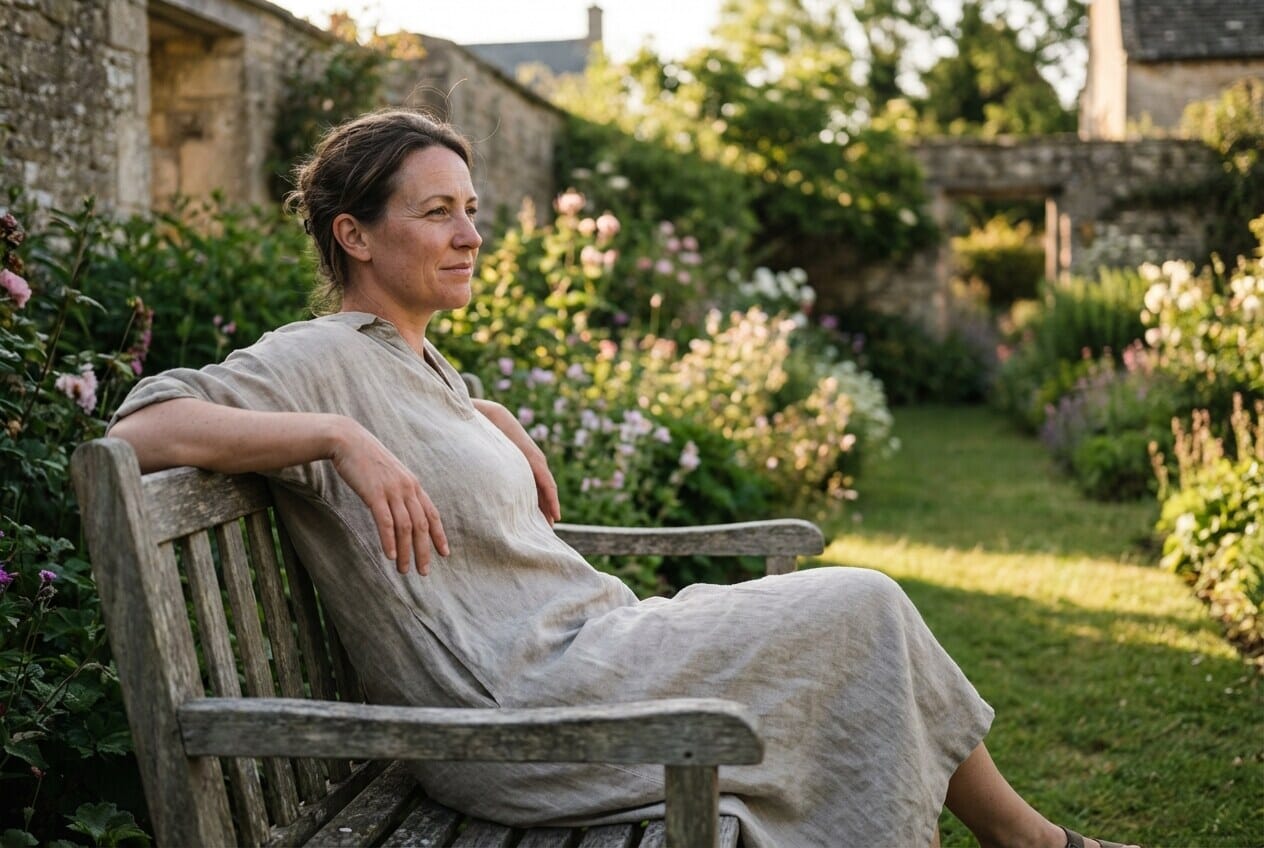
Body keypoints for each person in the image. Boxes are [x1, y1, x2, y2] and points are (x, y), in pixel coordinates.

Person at [108, 109, 1135, 848]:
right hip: (514, 708)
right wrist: (334, 435)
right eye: (438, 213)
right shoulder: (320, 358)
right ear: (355, 233)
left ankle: (1033, 843)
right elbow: (141, 428)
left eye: (472, 209)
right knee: (861, 603)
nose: (471, 235)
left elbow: (443, 463)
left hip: (589, 645)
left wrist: (475, 414)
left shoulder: (417, 360)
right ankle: (1037, 844)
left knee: (860, 614)